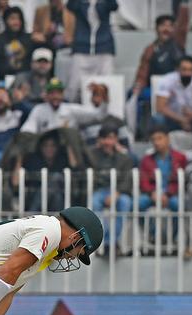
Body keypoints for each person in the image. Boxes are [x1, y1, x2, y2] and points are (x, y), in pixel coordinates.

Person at [90, 126, 134, 255]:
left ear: (116, 140)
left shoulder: (124, 157)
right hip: (98, 190)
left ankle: (111, 243)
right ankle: (99, 241)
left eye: (111, 138)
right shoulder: (92, 155)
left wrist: (117, 193)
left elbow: (127, 179)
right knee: (94, 203)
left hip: (118, 191)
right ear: (99, 140)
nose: (108, 142)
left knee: (125, 202)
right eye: (105, 139)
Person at [131, 3, 189, 100]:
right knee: (134, 94)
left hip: (176, 89)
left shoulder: (178, 43)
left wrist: (184, 5)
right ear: (157, 29)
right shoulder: (150, 49)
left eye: (170, 26)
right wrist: (137, 86)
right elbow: (142, 73)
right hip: (155, 88)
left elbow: (183, 26)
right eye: (163, 25)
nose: (166, 29)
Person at [63, 0, 118, 102]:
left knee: (107, 83)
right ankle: (68, 111)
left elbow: (114, 6)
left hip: (104, 47)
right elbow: (70, 5)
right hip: (81, 47)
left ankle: (106, 113)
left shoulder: (104, 3)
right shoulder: (79, 3)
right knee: (73, 86)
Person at [0, 6, 39, 84]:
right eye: (13, 19)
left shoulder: (30, 38)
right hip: (1, 82)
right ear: (6, 21)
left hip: (25, 83)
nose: (16, 22)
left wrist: (44, 40)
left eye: (19, 19)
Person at [154, 55, 192, 133]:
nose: (187, 73)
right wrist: (182, 119)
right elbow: (160, 108)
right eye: (184, 69)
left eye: (190, 70)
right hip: (172, 118)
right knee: (158, 119)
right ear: (177, 69)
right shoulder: (167, 81)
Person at [21, 78, 107, 134]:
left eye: (58, 93)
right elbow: (27, 129)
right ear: (46, 95)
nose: (55, 97)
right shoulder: (39, 109)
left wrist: (103, 100)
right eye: (52, 93)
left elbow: (99, 116)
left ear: (63, 95)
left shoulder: (71, 109)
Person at [12, 130, 70, 212]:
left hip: (57, 203)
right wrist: (19, 157)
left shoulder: (62, 161)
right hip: (35, 201)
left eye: (53, 146)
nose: (49, 149)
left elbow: (75, 165)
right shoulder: (33, 161)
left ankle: (33, 215)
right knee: (50, 186)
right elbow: (15, 182)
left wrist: (69, 144)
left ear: (57, 147)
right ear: (40, 147)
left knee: (55, 185)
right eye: (45, 146)